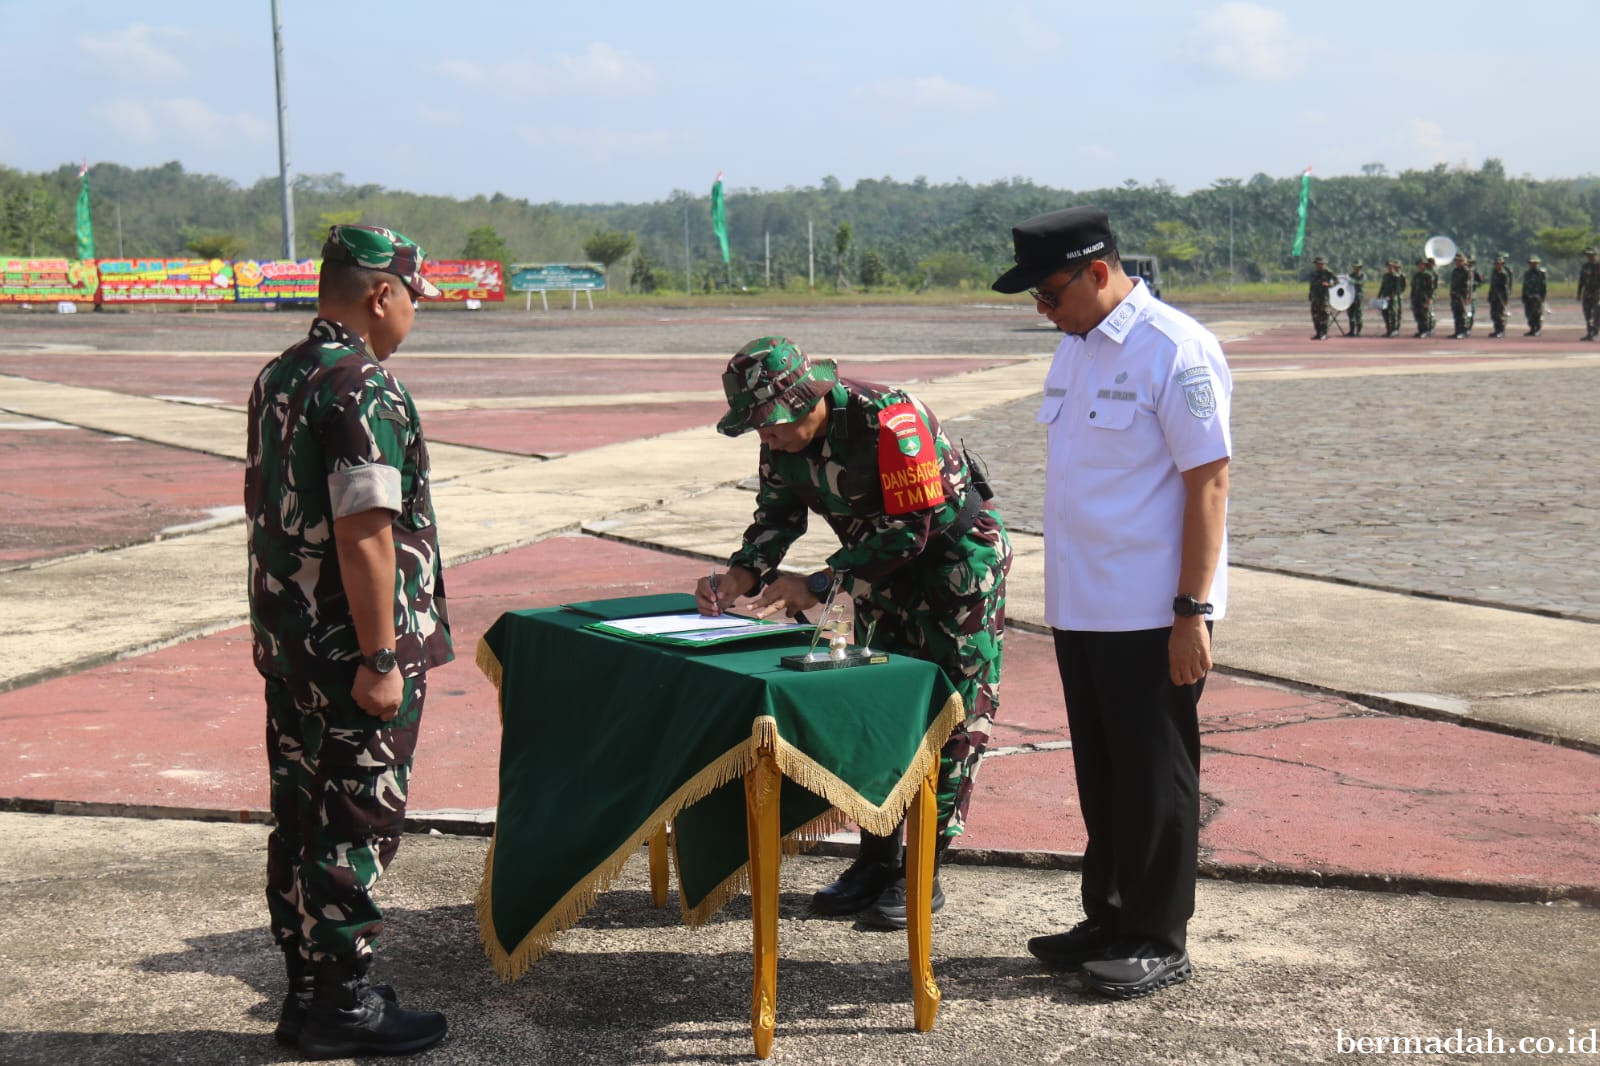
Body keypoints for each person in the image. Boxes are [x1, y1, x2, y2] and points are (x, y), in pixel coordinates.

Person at [990, 206, 1231, 1000]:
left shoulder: (1175, 348)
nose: (1042, 309)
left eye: (1051, 292)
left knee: (1155, 777)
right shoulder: (1077, 347)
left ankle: (1159, 937)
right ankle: (1111, 916)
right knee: (1103, 775)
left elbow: (1209, 483)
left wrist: (1192, 609)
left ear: (1099, 272)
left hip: (1149, 607)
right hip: (1083, 603)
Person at [697, 337, 1011, 930]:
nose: (767, 438)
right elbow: (776, 514)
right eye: (756, 429)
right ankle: (875, 860)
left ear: (806, 397)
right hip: (876, 577)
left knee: (952, 717)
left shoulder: (891, 419)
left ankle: (923, 868)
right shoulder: (782, 438)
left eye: (770, 424)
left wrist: (818, 584)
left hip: (955, 573)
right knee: (880, 713)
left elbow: (913, 528)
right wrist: (740, 575)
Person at [245, 224, 452, 1059]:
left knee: (300, 813)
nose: (411, 317)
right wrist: (380, 658)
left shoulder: (283, 372)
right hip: (351, 649)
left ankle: (306, 991)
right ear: (380, 294)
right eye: (411, 300)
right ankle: (345, 1006)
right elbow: (366, 530)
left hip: (292, 643)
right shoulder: (364, 384)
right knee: (355, 821)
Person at [1306, 255, 1335, 339]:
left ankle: (1324, 333)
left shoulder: (1328, 272)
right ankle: (1318, 333)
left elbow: (1337, 281)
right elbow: (1311, 285)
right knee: (1315, 316)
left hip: (1324, 298)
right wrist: (1310, 295)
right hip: (1315, 298)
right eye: (1317, 264)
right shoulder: (1313, 273)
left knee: (1324, 316)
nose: (1319, 265)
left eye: (1320, 264)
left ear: (1323, 264)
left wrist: (1329, 284)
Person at [1377, 259, 1407, 337]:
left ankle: (1395, 330)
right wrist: (1379, 295)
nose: (1389, 267)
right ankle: (1389, 330)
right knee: (1385, 314)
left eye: (1391, 266)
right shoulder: (1385, 276)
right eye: (1388, 266)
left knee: (1394, 314)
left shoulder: (1396, 277)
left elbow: (1397, 289)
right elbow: (1382, 286)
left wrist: (1391, 296)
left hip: (1393, 298)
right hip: (1385, 297)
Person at [1411, 256, 1438, 338]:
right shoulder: (1417, 276)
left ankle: (1427, 330)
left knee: (1425, 315)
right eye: (1418, 264)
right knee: (1417, 315)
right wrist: (1412, 298)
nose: (1420, 266)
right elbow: (1413, 287)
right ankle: (1421, 330)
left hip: (1425, 298)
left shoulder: (1428, 275)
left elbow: (1432, 288)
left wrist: (1430, 298)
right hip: (1417, 298)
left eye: (1422, 264)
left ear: (1425, 265)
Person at [1448, 252, 1473, 338]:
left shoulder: (1466, 271)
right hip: (1455, 295)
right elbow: (1453, 284)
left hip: (1463, 296)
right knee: (1456, 314)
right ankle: (1457, 331)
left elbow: (1469, 286)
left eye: (1460, 261)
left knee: (1463, 314)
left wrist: (1467, 297)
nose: (1457, 263)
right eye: (1456, 261)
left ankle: (1463, 331)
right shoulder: (1455, 271)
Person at [1487, 254, 1513, 337]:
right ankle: (1496, 330)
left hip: (1501, 297)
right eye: (1496, 264)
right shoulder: (1494, 272)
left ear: (1502, 264)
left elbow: (1505, 288)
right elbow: (1492, 285)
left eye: (1499, 264)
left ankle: (1501, 331)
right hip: (1494, 296)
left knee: (1500, 314)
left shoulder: (1503, 274)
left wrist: (1505, 300)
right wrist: (1490, 295)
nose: (1497, 265)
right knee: (1494, 314)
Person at [1522, 255, 1548, 336]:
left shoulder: (1540, 273)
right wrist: (1523, 295)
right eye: (1531, 263)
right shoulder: (1527, 273)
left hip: (1537, 296)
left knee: (1537, 313)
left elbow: (1544, 285)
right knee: (1528, 314)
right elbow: (1524, 285)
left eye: (1534, 263)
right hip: (1528, 296)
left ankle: (1538, 329)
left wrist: (1543, 296)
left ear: (1537, 263)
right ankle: (1532, 329)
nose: (1532, 264)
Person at [1577, 248, 1600, 341]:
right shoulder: (1585, 266)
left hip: (1597, 293)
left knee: (1597, 314)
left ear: (1595, 255)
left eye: (1591, 255)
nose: (1589, 256)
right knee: (1587, 314)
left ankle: (1594, 332)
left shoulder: (1599, 266)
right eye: (1588, 255)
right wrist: (1579, 293)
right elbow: (1581, 280)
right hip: (1587, 293)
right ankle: (1589, 332)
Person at [1346, 261, 1365, 337]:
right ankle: (1352, 331)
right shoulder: (1351, 275)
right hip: (1351, 297)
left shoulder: (1362, 275)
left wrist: (1352, 281)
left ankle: (1358, 331)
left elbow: (1360, 282)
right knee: (1351, 314)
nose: (1355, 268)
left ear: (1360, 267)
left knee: (1358, 314)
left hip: (1358, 296)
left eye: (1357, 267)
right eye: (1354, 267)